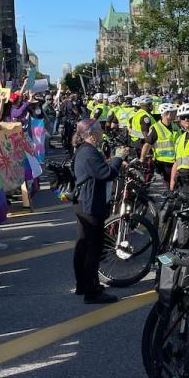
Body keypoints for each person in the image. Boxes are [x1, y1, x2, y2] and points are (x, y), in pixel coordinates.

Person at [71, 119, 124, 304]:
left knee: (84, 246)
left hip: (84, 202)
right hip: (90, 204)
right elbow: (106, 173)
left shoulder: (85, 150)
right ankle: (92, 291)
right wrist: (118, 158)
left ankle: (83, 285)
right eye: (100, 131)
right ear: (91, 134)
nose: (103, 133)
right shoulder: (88, 151)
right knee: (93, 248)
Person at [151, 103, 178, 184]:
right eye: (174, 112)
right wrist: (142, 159)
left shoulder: (175, 126)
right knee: (169, 182)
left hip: (175, 160)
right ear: (167, 114)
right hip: (163, 162)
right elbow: (147, 144)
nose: (176, 114)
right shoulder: (155, 128)